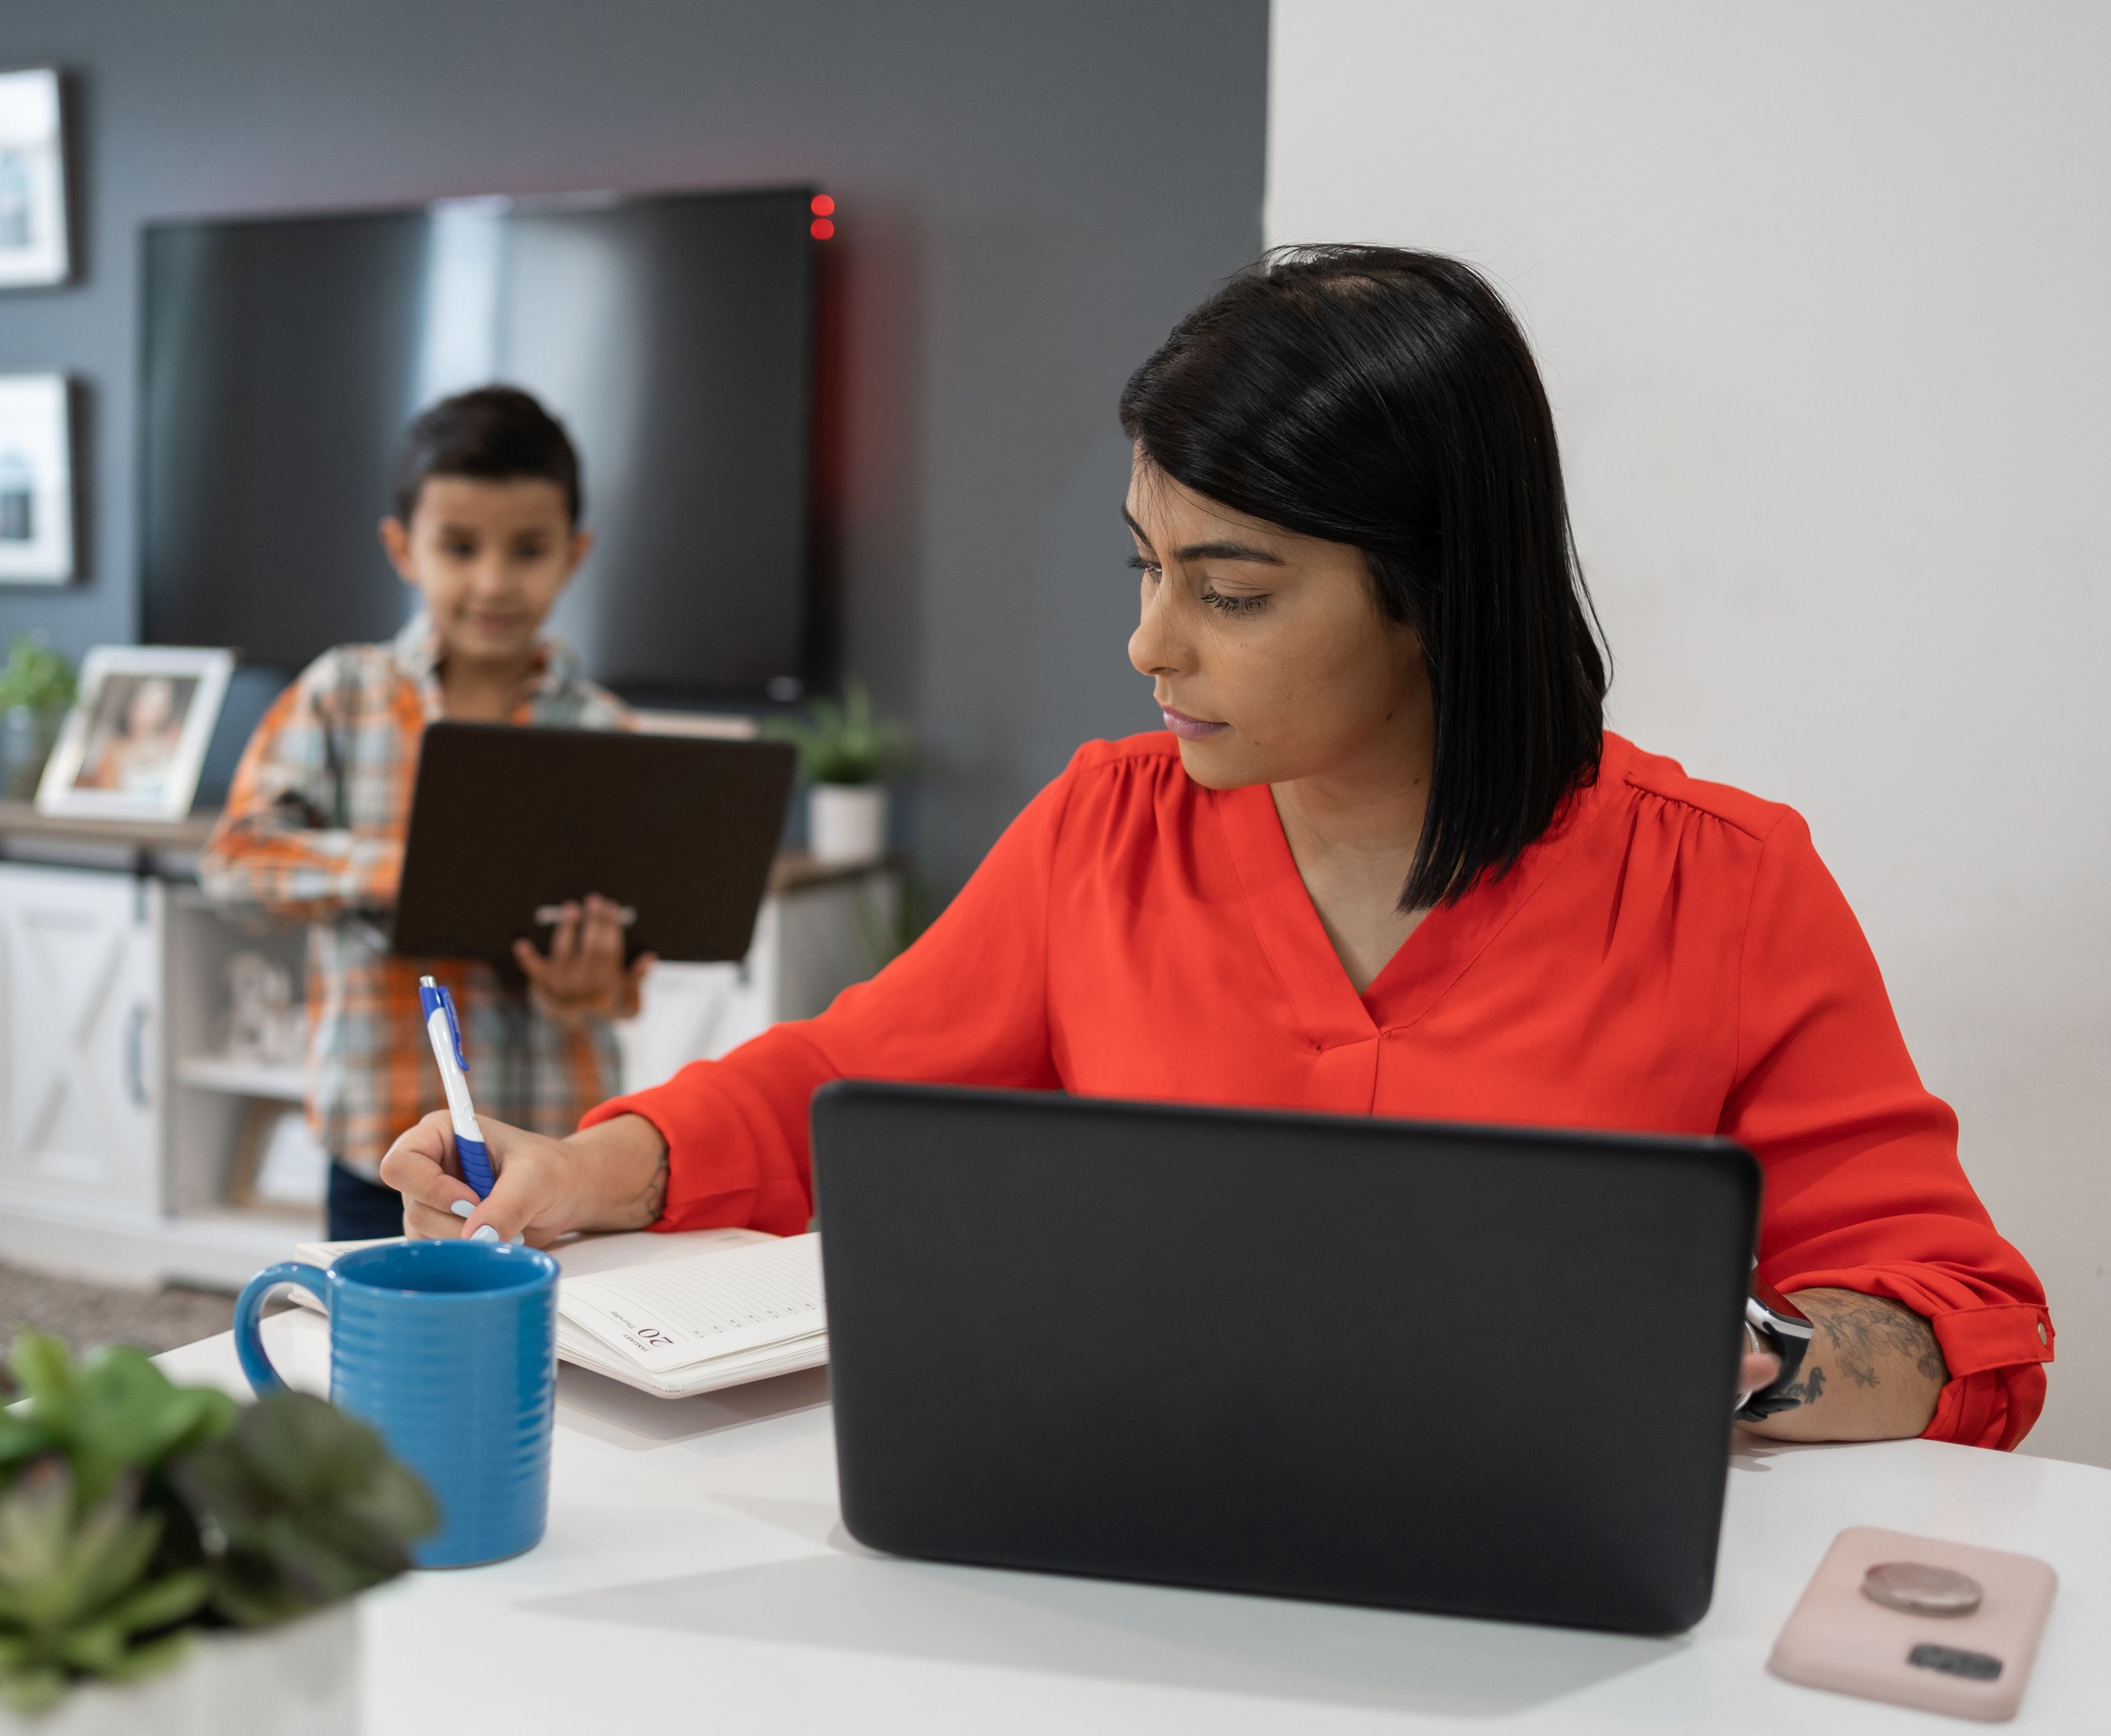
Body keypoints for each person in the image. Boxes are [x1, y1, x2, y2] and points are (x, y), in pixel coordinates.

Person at [380, 248, 2054, 1451]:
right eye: (1145, 567)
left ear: (1438, 598)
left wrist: (1749, 1360)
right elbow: (840, 1076)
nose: (1150, 645)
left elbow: (1957, 1321)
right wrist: (583, 1169)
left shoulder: (1727, 886)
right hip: (1146, 1541)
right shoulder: (1105, 827)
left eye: (1232, 593)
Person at [201, 386, 650, 1240]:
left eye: (528, 549)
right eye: (460, 546)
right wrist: (405, 869)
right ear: (404, 548)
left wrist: (593, 985)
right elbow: (236, 863)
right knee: (376, 1330)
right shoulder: (340, 695)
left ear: (574, 554)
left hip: (554, 1156)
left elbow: (624, 976)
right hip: (381, 1153)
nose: (494, 581)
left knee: (557, 1328)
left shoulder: (606, 732)